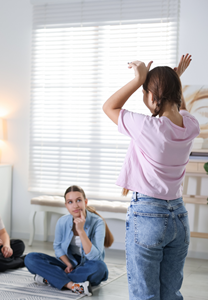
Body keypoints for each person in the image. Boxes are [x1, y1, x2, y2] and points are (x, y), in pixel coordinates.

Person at [102, 54, 200, 299]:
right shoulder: (191, 126)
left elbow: (109, 107)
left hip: (148, 215)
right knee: (171, 293)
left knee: (145, 294)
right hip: (178, 216)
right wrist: (173, 82)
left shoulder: (149, 127)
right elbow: (181, 112)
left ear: (152, 96)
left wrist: (139, 79)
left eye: (145, 93)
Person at [25, 185, 114, 296]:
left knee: (100, 268)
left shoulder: (98, 222)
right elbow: (57, 247)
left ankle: (50, 278)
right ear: (66, 205)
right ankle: (72, 285)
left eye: (78, 200)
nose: (75, 205)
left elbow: (95, 257)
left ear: (85, 202)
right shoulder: (62, 222)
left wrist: (81, 231)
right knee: (30, 258)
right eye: (70, 202)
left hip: (88, 265)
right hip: (68, 264)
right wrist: (68, 264)